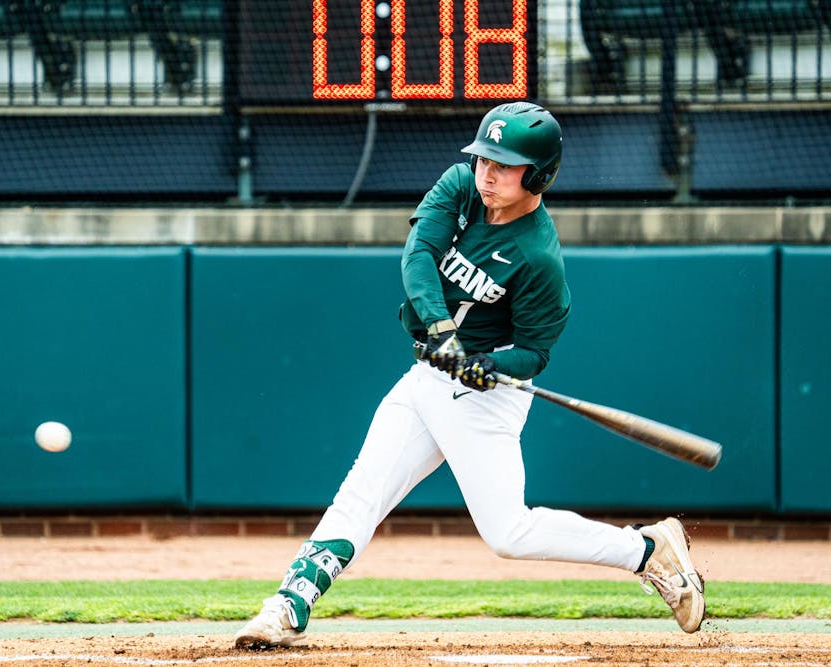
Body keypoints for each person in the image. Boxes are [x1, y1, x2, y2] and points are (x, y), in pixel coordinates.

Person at [233, 102, 705, 649]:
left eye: (504, 165)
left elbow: (532, 354)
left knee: (509, 533)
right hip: (429, 377)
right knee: (359, 495)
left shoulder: (539, 259)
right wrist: (441, 331)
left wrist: (488, 366)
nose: (487, 173)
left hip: (485, 398)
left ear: (539, 174)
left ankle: (648, 551)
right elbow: (419, 253)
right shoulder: (461, 186)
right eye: (484, 159)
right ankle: (287, 605)